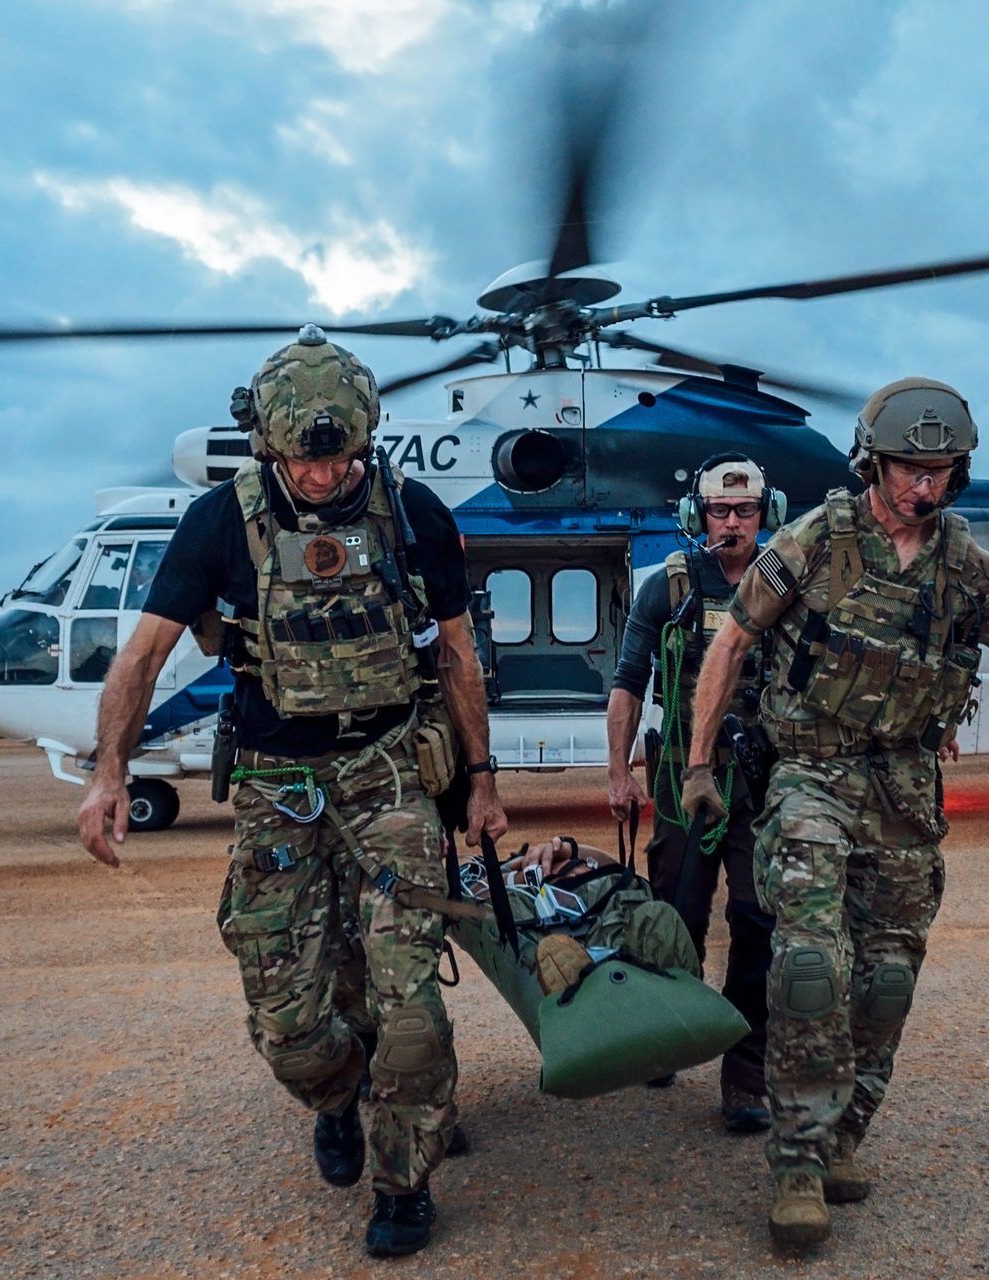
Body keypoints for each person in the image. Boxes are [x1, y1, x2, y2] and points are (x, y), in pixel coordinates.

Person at [679, 377, 989, 1251]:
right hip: (811, 775)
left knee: (887, 980)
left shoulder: (965, 567)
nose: (923, 486)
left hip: (903, 792)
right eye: (908, 469)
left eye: (940, 471)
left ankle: (842, 1134)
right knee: (808, 964)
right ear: (872, 462)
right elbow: (732, 640)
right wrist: (699, 762)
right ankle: (797, 1163)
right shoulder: (814, 542)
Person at [77, 325, 508, 1259]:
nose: (321, 477)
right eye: (303, 462)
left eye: (340, 459)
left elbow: (458, 655)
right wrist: (109, 771)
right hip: (277, 785)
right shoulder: (220, 522)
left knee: (408, 1006)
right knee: (290, 1024)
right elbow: (142, 656)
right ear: (267, 444)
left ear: (365, 440)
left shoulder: (413, 514)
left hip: (388, 771)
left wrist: (481, 781)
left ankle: (404, 1180)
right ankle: (338, 1095)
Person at [606, 453, 784, 1132]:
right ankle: (671, 1034)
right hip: (683, 777)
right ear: (697, 515)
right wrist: (618, 772)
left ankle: (745, 1076)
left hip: (759, 784)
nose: (732, 522)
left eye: (745, 510)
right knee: (675, 915)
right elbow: (628, 683)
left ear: (767, 513)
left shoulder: (785, 585)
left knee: (757, 920)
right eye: (719, 510)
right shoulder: (669, 587)